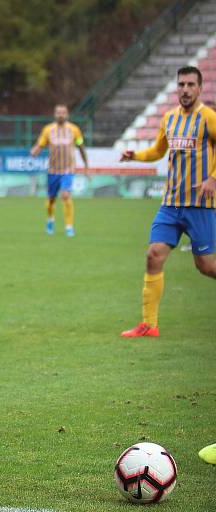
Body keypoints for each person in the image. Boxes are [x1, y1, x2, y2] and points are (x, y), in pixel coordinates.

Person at [119, 66, 216, 338]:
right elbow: (158, 151)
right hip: (171, 204)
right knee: (154, 255)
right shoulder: (170, 118)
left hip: (200, 204)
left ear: (199, 88)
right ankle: (149, 324)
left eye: (190, 84)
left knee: (206, 266)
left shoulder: (208, 118)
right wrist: (135, 156)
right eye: (181, 84)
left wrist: (212, 179)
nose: (184, 89)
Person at [30, 105, 90, 237]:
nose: (61, 115)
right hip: (53, 170)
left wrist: (86, 166)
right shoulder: (48, 130)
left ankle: (69, 226)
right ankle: (50, 219)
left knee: (66, 195)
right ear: (54, 114)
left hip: (68, 169)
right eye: (58, 112)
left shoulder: (74, 130)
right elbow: (40, 144)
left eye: (63, 112)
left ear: (67, 114)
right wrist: (35, 151)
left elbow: (81, 147)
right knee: (51, 199)